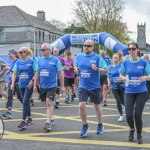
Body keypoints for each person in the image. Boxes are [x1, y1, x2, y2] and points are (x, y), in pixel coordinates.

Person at [74, 40, 108, 137]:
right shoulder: (79, 56)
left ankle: (100, 124)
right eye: (85, 45)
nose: (86, 47)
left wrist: (97, 69)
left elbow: (106, 70)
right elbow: (75, 64)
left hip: (95, 87)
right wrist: (75, 69)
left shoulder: (97, 58)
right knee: (81, 106)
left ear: (93, 47)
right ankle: (85, 125)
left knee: (97, 106)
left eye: (89, 46)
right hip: (83, 86)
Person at [120, 42, 150, 144]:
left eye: (133, 49)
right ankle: (132, 129)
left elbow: (149, 75)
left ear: (137, 49)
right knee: (128, 116)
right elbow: (121, 74)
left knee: (137, 115)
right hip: (129, 91)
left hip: (141, 91)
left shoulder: (143, 63)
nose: (131, 51)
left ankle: (139, 135)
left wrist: (145, 77)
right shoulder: (125, 62)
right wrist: (123, 78)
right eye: (129, 49)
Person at [34, 43, 65, 131]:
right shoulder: (39, 60)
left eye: (43, 50)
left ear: (49, 50)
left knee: (49, 103)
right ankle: (51, 118)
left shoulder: (56, 60)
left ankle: (48, 122)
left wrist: (62, 86)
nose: (41, 51)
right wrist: (35, 85)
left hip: (52, 85)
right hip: (43, 86)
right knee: (46, 104)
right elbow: (37, 73)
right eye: (41, 50)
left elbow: (60, 74)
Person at [11, 47, 37, 130]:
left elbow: (36, 72)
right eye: (19, 52)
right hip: (21, 84)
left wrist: (33, 81)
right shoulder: (18, 62)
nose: (20, 53)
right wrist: (12, 83)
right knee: (25, 102)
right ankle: (29, 118)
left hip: (29, 85)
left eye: (22, 52)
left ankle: (23, 121)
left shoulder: (32, 62)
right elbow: (14, 73)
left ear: (26, 53)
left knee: (25, 101)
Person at [2, 49, 23, 119]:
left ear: (14, 54)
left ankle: (26, 106)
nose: (8, 55)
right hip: (11, 80)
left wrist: (10, 69)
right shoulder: (11, 61)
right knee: (10, 96)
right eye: (8, 54)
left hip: (17, 81)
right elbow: (11, 69)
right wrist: (8, 71)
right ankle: (9, 112)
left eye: (9, 54)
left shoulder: (18, 61)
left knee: (20, 96)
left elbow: (18, 70)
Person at [107, 53, 125, 122]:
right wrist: (108, 82)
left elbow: (125, 74)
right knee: (118, 101)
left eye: (117, 58)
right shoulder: (110, 68)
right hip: (114, 86)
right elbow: (108, 76)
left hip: (122, 86)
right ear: (112, 59)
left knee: (124, 102)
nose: (115, 59)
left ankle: (131, 109)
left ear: (119, 59)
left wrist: (124, 79)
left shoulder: (122, 66)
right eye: (114, 58)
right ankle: (121, 115)